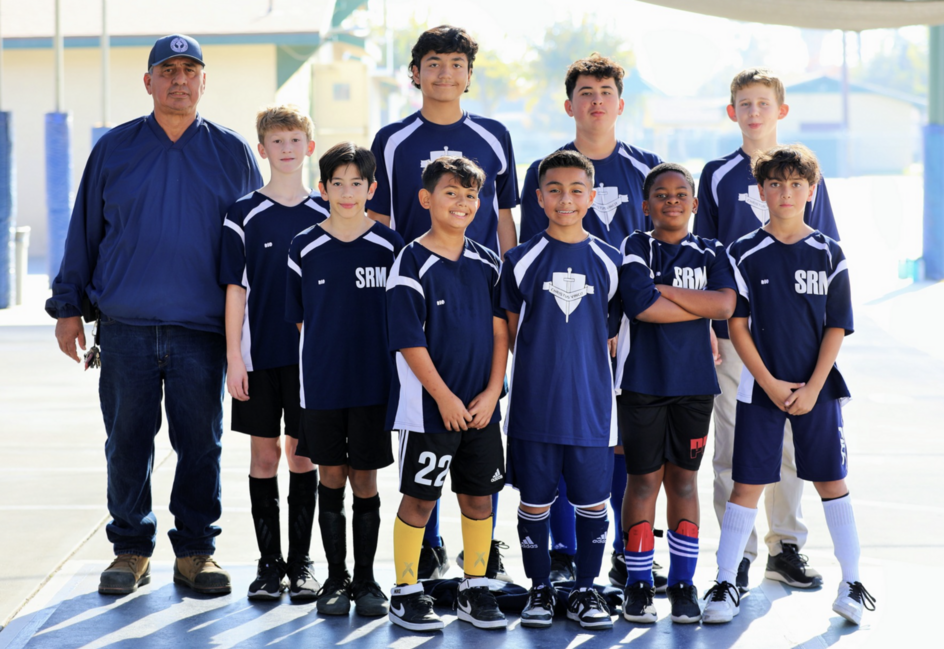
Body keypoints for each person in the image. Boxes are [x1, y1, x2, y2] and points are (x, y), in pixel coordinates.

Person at [46, 34, 262, 596]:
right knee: (127, 442)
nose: (179, 80)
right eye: (167, 70)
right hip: (126, 329)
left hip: (201, 330)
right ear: (148, 82)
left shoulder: (232, 152)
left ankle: (195, 551)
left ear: (204, 81)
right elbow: (84, 233)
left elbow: (253, 241)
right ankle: (130, 549)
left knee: (201, 445)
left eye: (190, 70)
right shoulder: (114, 149)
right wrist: (68, 308)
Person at [367, 24, 519, 581]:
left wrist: (513, 291)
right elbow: (382, 221)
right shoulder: (392, 138)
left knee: (482, 444)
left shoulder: (495, 134)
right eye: (433, 63)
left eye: (457, 63)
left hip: (477, 294)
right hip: (423, 300)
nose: (445, 73)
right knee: (428, 434)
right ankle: (424, 552)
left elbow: (504, 217)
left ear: (470, 76)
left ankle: (481, 558)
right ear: (416, 73)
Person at [702, 144, 875, 625]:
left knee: (830, 480)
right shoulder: (743, 252)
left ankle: (853, 583)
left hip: (817, 389)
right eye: (775, 183)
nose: (785, 192)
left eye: (796, 184)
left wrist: (814, 386)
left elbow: (836, 326)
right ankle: (723, 581)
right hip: (761, 389)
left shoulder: (829, 253)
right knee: (746, 484)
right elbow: (738, 326)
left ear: (811, 191)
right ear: (761, 192)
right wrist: (770, 383)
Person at [519, 53, 665, 589]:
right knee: (564, 434)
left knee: (623, 439)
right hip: (573, 325)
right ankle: (561, 553)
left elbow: (662, 248)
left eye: (605, 91)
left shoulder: (647, 165)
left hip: (637, 328)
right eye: (586, 91)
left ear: (620, 104)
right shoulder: (546, 172)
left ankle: (631, 549)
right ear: (569, 103)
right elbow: (538, 251)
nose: (596, 99)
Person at [695, 68, 840, 591]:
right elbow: (706, 258)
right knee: (734, 444)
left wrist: (824, 335)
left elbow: (827, 256)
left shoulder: (804, 172)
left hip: (796, 334)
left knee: (790, 445)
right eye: (744, 104)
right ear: (732, 112)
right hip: (739, 334)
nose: (753, 112)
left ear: (780, 110)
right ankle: (738, 554)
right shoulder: (716, 174)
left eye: (763, 103)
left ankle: (786, 546)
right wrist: (710, 327)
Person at [385, 156, 509, 632]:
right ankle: (406, 590)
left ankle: (474, 587)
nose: (462, 202)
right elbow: (409, 341)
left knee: (479, 499)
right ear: (426, 199)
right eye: (451, 193)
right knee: (420, 500)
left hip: (481, 410)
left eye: (470, 195)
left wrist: (493, 391)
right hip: (430, 412)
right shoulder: (410, 261)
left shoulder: (486, 262)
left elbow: (501, 335)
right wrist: (443, 397)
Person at [499, 150, 621, 631]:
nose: (565, 199)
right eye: (555, 190)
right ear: (539, 197)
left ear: (591, 197)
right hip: (535, 409)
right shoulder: (519, 260)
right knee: (534, 502)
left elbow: (613, 336)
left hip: (592, 408)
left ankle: (587, 591)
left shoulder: (611, 262)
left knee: (593, 502)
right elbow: (508, 334)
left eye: (576, 190)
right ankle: (540, 591)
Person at [615, 163, 736, 625]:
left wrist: (665, 290)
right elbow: (641, 307)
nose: (671, 200)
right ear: (646, 206)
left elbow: (724, 305)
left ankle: (684, 583)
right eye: (660, 194)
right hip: (643, 384)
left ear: (694, 203)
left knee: (683, 481)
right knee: (643, 480)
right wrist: (692, 302)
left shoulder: (711, 250)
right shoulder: (635, 246)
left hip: (694, 387)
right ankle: (639, 582)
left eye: (680, 193)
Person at [286, 142, 403, 617]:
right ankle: (335, 579)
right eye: (338, 183)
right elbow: (300, 321)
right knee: (330, 475)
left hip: (374, 386)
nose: (348, 192)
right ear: (323, 188)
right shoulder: (304, 246)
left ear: (372, 188)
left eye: (358, 183)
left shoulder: (391, 246)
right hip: (323, 385)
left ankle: (368, 580)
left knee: (366, 481)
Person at [220, 105, 326, 601]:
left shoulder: (328, 212)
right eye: (276, 141)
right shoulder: (242, 213)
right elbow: (235, 290)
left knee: (302, 458)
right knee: (263, 457)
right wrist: (234, 359)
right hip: (258, 358)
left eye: (295, 140)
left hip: (310, 364)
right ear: (262, 149)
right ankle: (268, 564)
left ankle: (302, 563)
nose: (287, 149)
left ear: (310, 145)